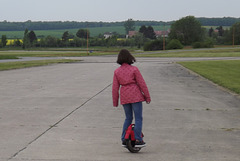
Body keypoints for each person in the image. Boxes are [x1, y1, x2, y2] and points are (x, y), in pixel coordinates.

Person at [112, 49, 151, 148]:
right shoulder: (134, 69)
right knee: (138, 118)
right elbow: (142, 83)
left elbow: (115, 88)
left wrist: (115, 101)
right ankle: (138, 139)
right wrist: (147, 96)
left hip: (124, 95)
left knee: (128, 118)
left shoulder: (117, 71)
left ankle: (124, 139)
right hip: (135, 95)